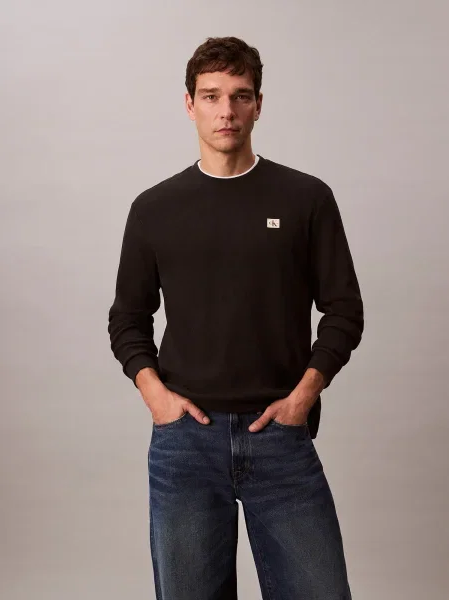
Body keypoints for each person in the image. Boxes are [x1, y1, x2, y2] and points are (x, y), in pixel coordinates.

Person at [108, 35, 364, 600]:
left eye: (240, 96)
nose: (226, 110)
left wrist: (302, 398)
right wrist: (156, 397)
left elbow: (345, 310)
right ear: (189, 104)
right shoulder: (155, 208)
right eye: (211, 96)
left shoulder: (305, 198)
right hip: (186, 443)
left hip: (280, 436)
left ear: (258, 104)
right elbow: (127, 318)